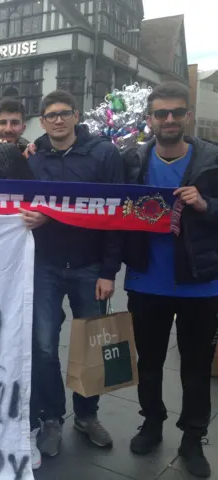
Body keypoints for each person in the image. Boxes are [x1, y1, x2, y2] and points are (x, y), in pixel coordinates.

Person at [122, 83, 218, 478]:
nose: (169, 120)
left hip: (200, 283)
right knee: (149, 363)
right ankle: (152, 422)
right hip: (147, 281)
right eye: (161, 114)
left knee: (196, 368)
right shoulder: (133, 161)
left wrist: (206, 204)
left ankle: (193, 438)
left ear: (188, 116)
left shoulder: (213, 160)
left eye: (177, 112)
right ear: (149, 119)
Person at [23, 91, 124, 467]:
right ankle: (51, 417)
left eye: (64, 114)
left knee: (90, 346)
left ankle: (86, 415)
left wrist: (109, 271)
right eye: (51, 116)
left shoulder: (103, 154)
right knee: (45, 347)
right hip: (45, 265)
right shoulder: (33, 157)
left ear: (76, 115)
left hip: (89, 265)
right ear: (43, 121)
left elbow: (116, 213)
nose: (58, 121)